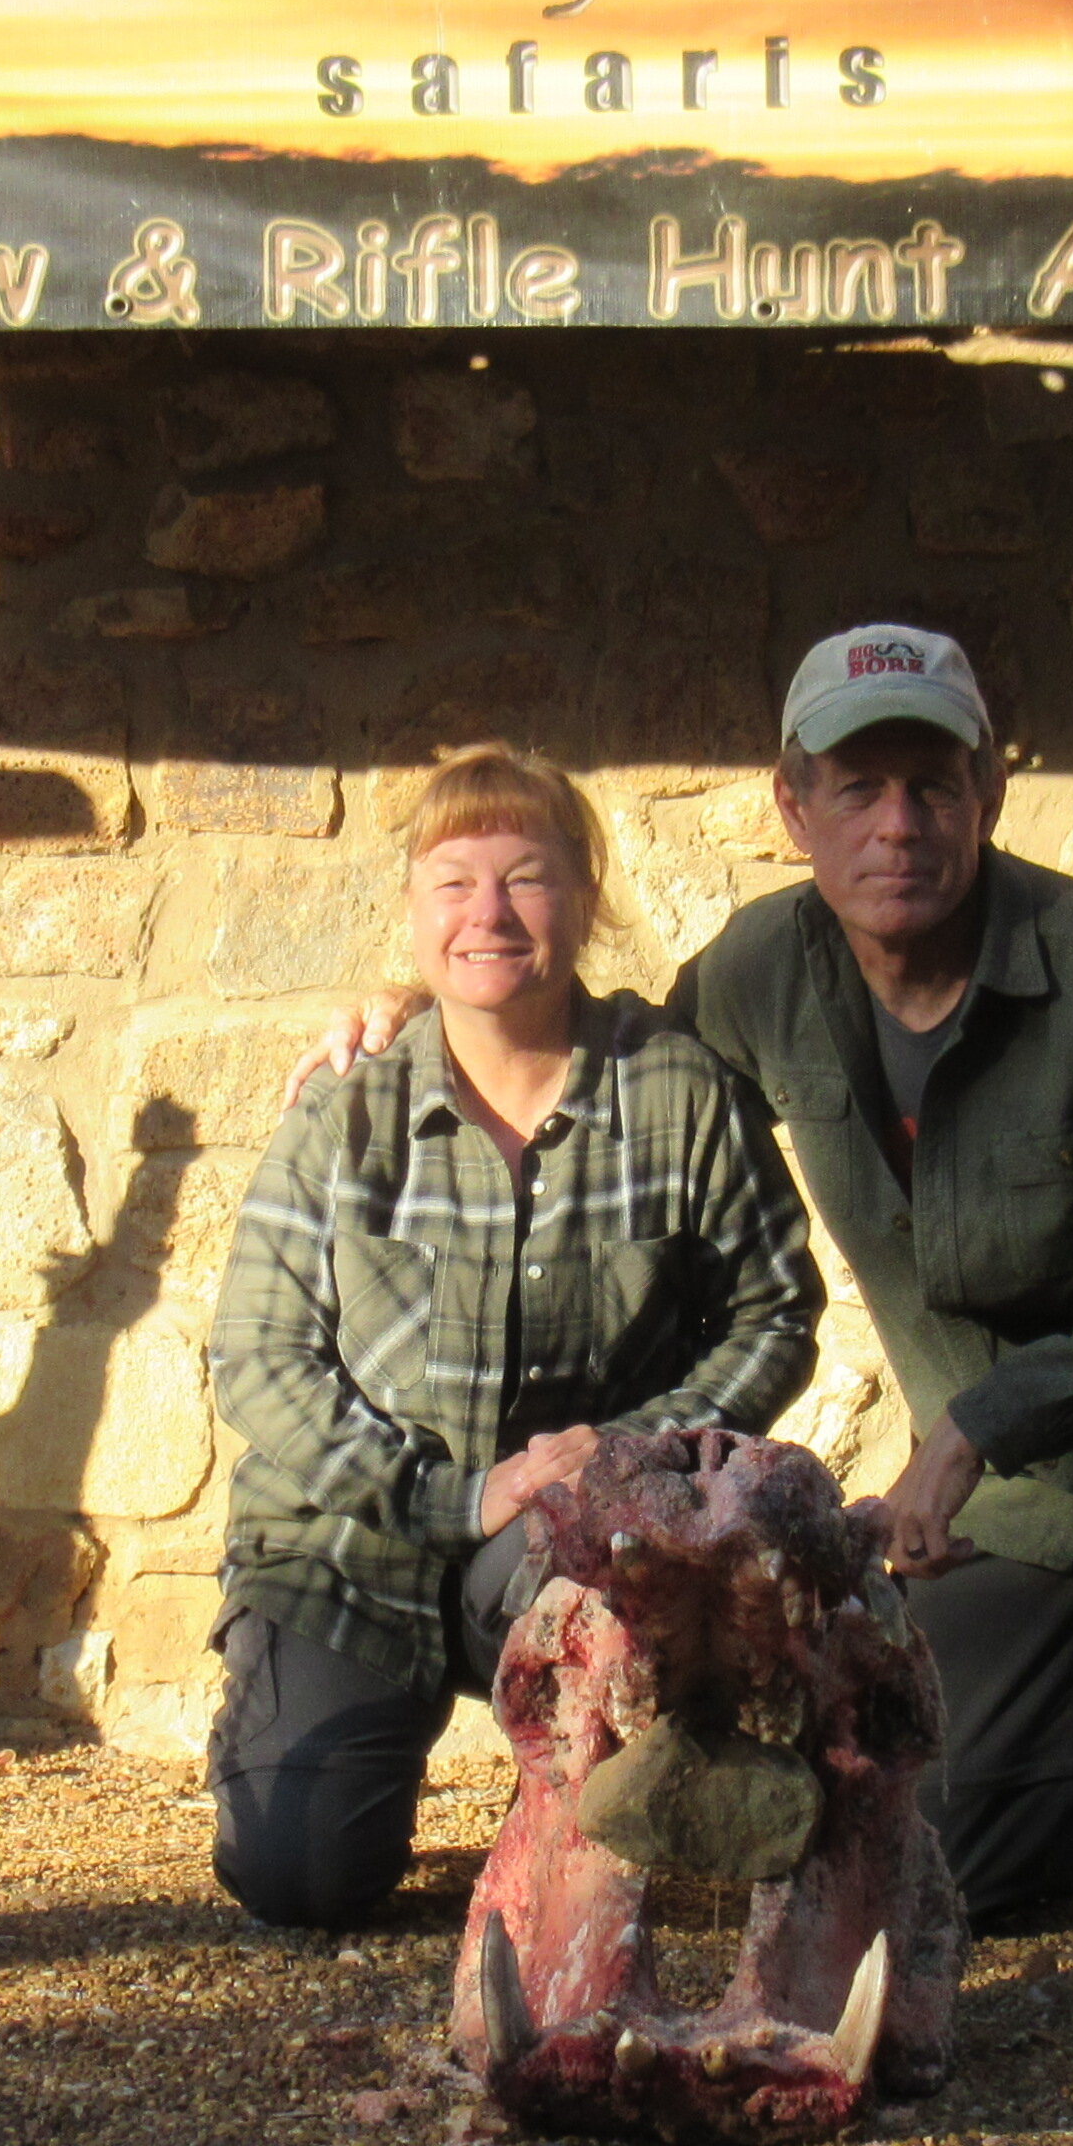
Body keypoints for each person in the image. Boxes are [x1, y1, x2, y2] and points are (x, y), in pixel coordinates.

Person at [307, 626, 1073, 2012]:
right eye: (858, 790)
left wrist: (974, 1426)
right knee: (949, 1842)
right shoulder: (762, 971)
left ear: (988, 788)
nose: (899, 825)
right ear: (792, 808)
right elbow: (621, 1070)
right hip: (1026, 1475)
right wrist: (444, 1007)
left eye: (933, 783)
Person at [204, 744, 821, 1931]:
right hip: (344, 1546)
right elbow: (261, 1357)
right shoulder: (345, 1113)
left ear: (584, 898)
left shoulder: (677, 1097)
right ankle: (316, 1741)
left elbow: (773, 1312)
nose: (487, 913)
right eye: (452, 882)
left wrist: (625, 1456)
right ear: (411, 912)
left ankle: (595, 1792)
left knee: (646, 1863)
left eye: (526, 879)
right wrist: (453, 1494)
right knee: (301, 1882)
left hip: (564, 1544)